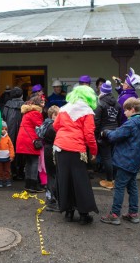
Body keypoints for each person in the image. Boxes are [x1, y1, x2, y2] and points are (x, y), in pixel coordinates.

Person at [53, 85, 99, 225]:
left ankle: (68, 212)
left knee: (64, 179)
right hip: (76, 149)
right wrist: (94, 151)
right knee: (80, 181)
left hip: (60, 147)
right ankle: (84, 214)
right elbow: (89, 135)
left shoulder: (64, 109)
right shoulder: (87, 111)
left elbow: (55, 126)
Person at [100, 97, 140, 225]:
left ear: (132, 109)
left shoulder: (130, 123)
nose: (124, 113)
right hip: (135, 161)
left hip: (125, 161)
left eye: (126, 110)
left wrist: (105, 132)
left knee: (119, 187)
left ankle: (114, 214)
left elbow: (115, 136)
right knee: (132, 187)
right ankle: (133, 213)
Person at [94, 80, 122, 189]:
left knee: (106, 158)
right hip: (115, 132)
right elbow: (119, 120)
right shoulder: (117, 104)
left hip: (104, 133)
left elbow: (97, 121)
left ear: (102, 92)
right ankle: (115, 179)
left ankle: (109, 180)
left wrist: (96, 135)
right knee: (114, 157)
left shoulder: (100, 103)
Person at [16, 95, 45, 193]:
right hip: (31, 140)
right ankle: (33, 185)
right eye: (42, 102)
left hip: (23, 139)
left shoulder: (27, 112)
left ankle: (28, 184)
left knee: (28, 162)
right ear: (37, 103)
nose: (43, 104)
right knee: (34, 162)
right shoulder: (36, 113)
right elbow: (41, 128)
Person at [2, 87, 25, 180]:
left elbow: (3, 118)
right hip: (23, 132)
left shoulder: (7, 105)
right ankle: (21, 172)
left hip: (9, 131)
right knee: (22, 151)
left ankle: (12, 171)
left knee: (11, 149)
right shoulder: (25, 105)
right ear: (22, 95)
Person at [41, 105, 60, 212]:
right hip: (52, 150)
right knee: (54, 175)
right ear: (51, 115)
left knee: (50, 174)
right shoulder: (53, 127)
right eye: (56, 114)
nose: (58, 117)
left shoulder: (46, 123)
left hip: (47, 149)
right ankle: (53, 199)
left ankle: (49, 197)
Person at [0, 121, 15, 188]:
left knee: (7, 169)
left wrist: (12, 155)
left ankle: (7, 179)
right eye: (2, 129)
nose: (4, 131)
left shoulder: (8, 138)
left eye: (5, 129)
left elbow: (11, 147)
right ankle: (0, 180)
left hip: (7, 157)